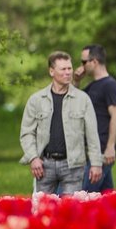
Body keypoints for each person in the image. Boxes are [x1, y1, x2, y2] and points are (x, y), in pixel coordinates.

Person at [20, 51, 102, 195]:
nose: (68, 72)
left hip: (73, 165)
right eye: (63, 69)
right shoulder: (36, 100)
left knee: (69, 212)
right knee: (43, 211)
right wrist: (33, 158)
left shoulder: (83, 99)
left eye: (69, 68)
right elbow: (27, 133)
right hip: (44, 165)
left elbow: (92, 135)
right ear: (52, 71)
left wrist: (96, 163)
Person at [74, 44, 116, 192]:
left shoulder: (110, 85)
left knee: (84, 195)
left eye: (84, 62)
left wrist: (110, 147)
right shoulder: (92, 86)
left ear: (94, 62)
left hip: (101, 152)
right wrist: (77, 81)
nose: (81, 66)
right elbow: (74, 104)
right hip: (92, 150)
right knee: (106, 196)